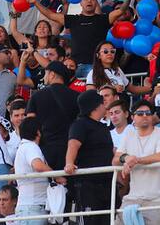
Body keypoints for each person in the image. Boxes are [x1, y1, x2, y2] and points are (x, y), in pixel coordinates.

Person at [34, 0, 134, 78]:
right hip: (76, 67)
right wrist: (35, 2)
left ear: (96, 3)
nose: (89, 1)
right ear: (81, 3)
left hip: (97, 67)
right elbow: (50, 15)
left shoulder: (103, 19)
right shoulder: (73, 19)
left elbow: (120, 11)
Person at [114, 100, 160, 225]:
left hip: (159, 198)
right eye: (140, 113)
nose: (145, 116)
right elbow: (116, 159)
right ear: (132, 117)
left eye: (148, 113)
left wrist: (134, 160)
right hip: (132, 197)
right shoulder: (129, 134)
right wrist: (126, 158)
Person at [65, 90, 113, 225]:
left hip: (106, 183)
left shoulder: (102, 127)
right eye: (102, 102)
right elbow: (73, 144)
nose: (106, 106)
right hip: (89, 185)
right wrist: (69, 163)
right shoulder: (80, 124)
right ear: (96, 106)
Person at [25, 61, 79, 170]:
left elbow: (30, 125)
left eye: (45, 73)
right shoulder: (77, 96)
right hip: (72, 150)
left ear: (52, 74)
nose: (44, 77)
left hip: (46, 148)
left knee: (51, 184)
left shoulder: (37, 96)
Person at [13, 116, 51, 225]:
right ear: (38, 132)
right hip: (33, 208)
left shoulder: (23, 147)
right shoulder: (30, 146)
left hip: (27, 208)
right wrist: (56, 175)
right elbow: (38, 165)